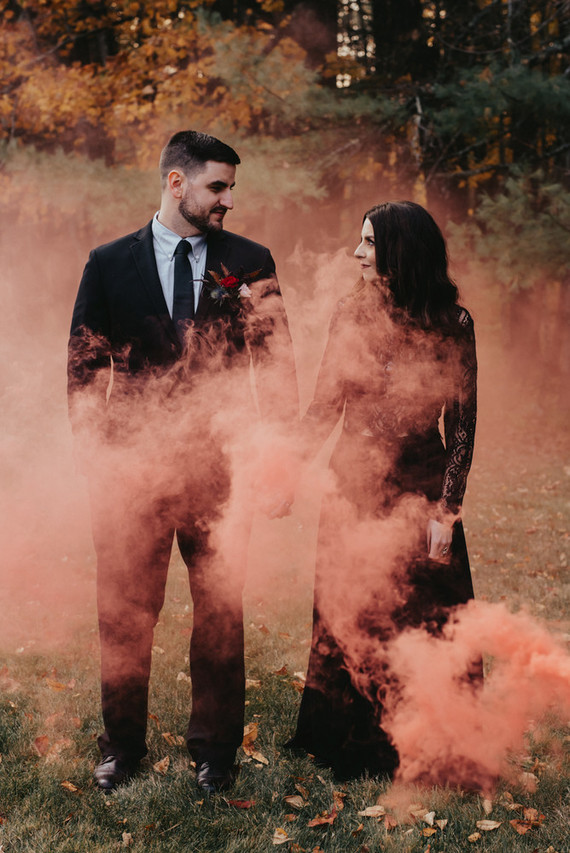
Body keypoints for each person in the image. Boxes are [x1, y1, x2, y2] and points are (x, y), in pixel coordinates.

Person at [67, 130, 298, 793]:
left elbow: (277, 367)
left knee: (220, 610)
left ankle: (215, 752)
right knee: (124, 613)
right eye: (217, 186)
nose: (228, 199)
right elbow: (83, 365)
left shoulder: (250, 262)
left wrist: (276, 459)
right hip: (130, 471)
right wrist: (95, 459)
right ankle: (121, 746)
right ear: (177, 183)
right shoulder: (109, 262)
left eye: (231, 187)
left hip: (220, 469)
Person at [285, 201, 478, 781]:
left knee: (426, 616)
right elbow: (325, 407)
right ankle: (349, 739)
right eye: (358, 241)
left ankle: (434, 739)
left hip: (423, 484)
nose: (357, 253)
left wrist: (446, 509)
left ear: (399, 250)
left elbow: (463, 423)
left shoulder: (454, 321)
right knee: (353, 609)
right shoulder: (350, 312)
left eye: (368, 242)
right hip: (354, 487)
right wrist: (284, 470)